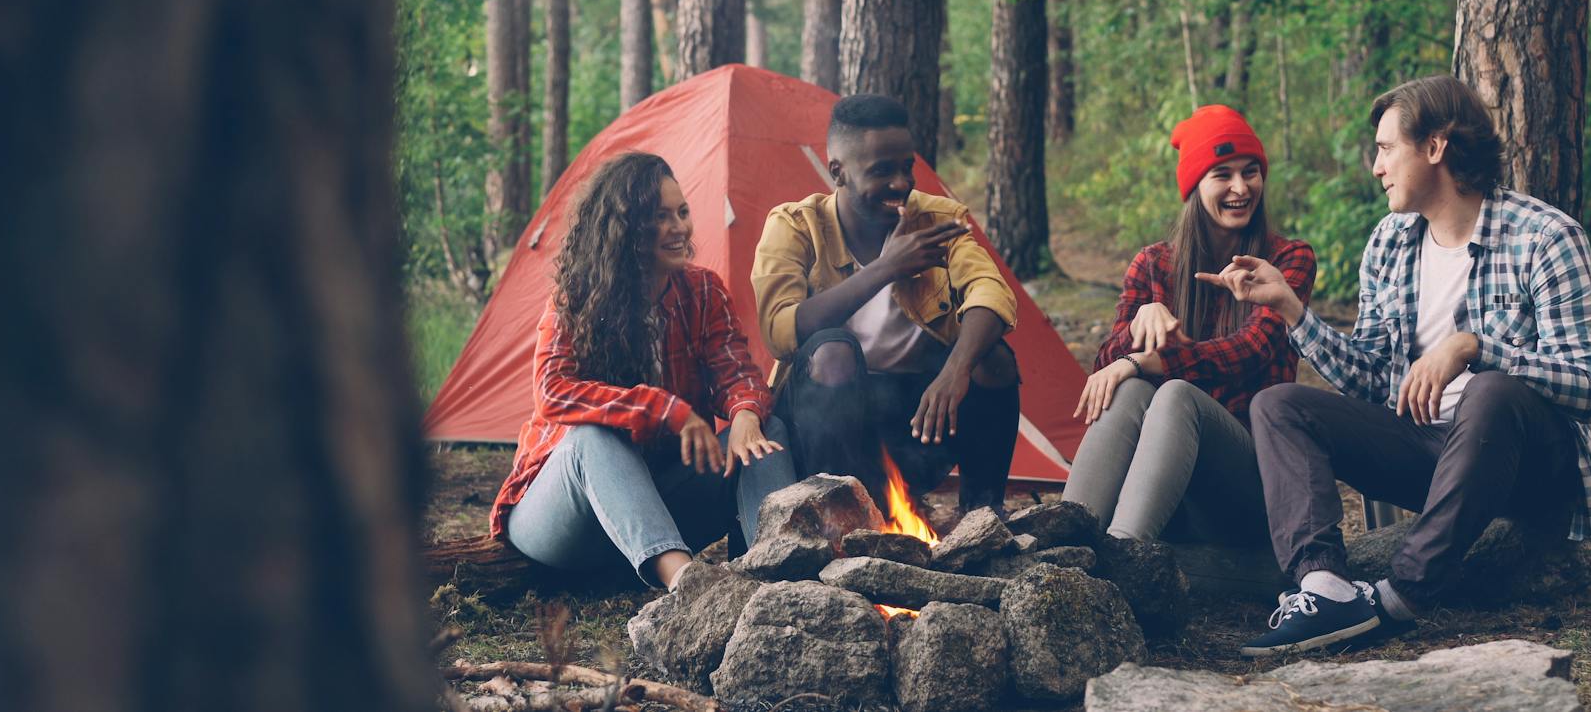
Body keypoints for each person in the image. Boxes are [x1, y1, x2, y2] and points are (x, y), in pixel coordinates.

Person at [1201, 76, 1591, 656]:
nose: (1376, 166)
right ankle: (1325, 587)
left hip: (1526, 465)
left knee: (1489, 392)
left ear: (1436, 147)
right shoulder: (1390, 242)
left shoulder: (1545, 237)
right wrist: (1291, 310)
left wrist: (1473, 346)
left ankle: (1399, 596)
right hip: (1431, 456)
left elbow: (1586, 385)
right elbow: (1369, 378)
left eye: (1387, 148)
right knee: (1279, 406)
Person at [489, 152, 796, 590]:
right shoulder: (576, 296)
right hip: (568, 519)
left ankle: (780, 574)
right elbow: (553, 391)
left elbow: (736, 372)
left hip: (661, 506)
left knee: (769, 432)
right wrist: (661, 408)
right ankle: (688, 589)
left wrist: (745, 413)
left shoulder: (703, 291)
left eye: (683, 213)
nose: (680, 228)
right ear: (625, 230)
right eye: (660, 217)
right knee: (593, 436)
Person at [751, 94, 1020, 517]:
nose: (901, 183)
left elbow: (991, 291)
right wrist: (885, 268)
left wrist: (956, 370)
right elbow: (780, 331)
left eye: (906, 167)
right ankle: (844, 517)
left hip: (915, 421)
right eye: (881, 171)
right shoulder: (794, 226)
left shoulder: (936, 220)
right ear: (837, 171)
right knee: (833, 352)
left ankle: (982, 515)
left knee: (993, 358)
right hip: (822, 428)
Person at [1062, 105, 1315, 548]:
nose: (1241, 187)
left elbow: (1251, 349)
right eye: (1222, 174)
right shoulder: (1154, 263)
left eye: (1250, 172)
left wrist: (1147, 360)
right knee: (1132, 389)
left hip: (1252, 482)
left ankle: (1125, 556)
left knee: (1174, 392)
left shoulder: (1288, 260)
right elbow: (1106, 370)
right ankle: (1064, 549)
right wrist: (1137, 328)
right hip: (1171, 490)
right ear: (1195, 186)